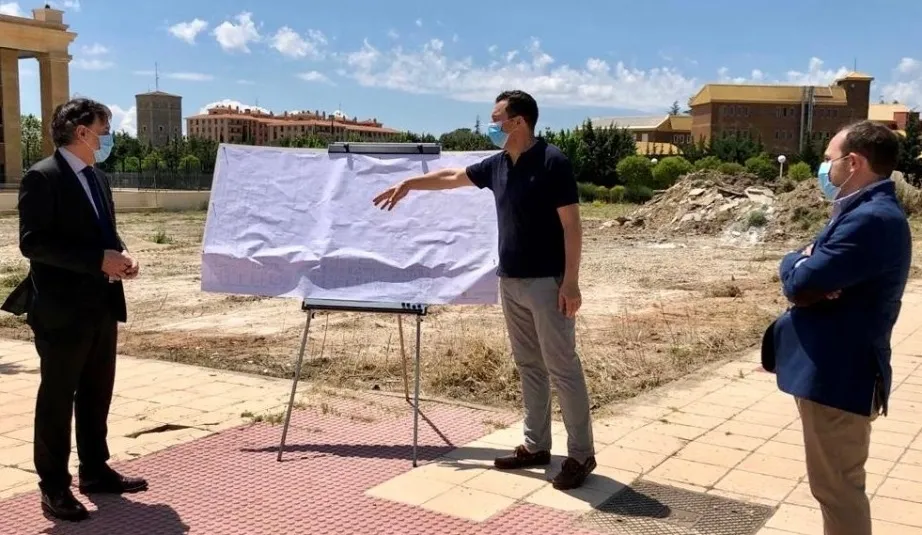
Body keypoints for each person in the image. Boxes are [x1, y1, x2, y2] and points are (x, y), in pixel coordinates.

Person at [373, 89, 596, 489]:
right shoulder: (497, 165)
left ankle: (581, 455)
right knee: (530, 367)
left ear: (518, 122)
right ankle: (536, 445)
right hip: (510, 281)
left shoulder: (552, 162)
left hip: (548, 283)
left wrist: (572, 282)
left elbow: (572, 227)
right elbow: (452, 178)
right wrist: (410, 182)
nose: (492, 127)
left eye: (497, 121)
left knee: (563, 368)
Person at [0, 98, 148, 522]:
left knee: (98, 391)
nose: (108, 136)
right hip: (62, 310)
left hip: (101, 303)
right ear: (81, 131)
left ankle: (95, 470)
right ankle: (54, 488)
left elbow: (107, 234)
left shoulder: (97, 178)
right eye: (104, 129)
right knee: (57, 398)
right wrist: (96, 260)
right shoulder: (42, 177)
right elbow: (34, 243)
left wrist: (123, 255)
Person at [764, 120, 910, 535]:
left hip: (840, 377)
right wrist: (801, 259)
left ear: (855, 162)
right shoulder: (858, 210)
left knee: (838, 490)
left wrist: (798, 264)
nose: (824, 169)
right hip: (832, 374)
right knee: (832, 487)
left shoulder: (871, 219)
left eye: (829, 160)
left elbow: (802, 282)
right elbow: (805, 266)